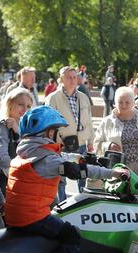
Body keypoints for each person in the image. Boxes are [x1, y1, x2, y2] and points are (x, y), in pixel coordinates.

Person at [3, 106, 128, 253]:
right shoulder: (49, 162)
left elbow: (58, 158)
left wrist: (76, 157)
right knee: (71, 234)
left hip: (13, 215)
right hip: (31, 218)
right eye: (56, 132)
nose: (58, 137)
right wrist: (112, 173)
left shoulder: (26, 152)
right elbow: (77, 170)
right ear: (48, 132)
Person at [45, 66, 95, 199]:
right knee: (61, 178)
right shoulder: (53, 98)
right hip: (61, 143)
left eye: (74, 77)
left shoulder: (83, 97)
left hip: (81, 143)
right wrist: (50, 143)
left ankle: (82, 201)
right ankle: (62, 204)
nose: (72, 80)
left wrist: (91, 141)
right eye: (69, 77)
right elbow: (48, 123)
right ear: (61, 79)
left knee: (82, 175)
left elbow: (89, 121)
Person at [95, 86, 138, 183]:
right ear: (115, 103)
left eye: (127, 102)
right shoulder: (107, 121)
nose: (124, 105)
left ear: (133, 103)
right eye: (120, 102)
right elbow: (96, 143)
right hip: (118, 168)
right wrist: (108, 145)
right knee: (119, 196)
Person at [0, 88, 34, 194]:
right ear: (10, 105)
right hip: (9, 185)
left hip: (24, 183)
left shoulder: (26, 127)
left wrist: (18, 130)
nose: (25, 109)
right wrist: (19, 175)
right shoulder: (3, 126)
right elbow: (1, 157)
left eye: (28, 106)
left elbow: (34, 150)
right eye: (20, 104)